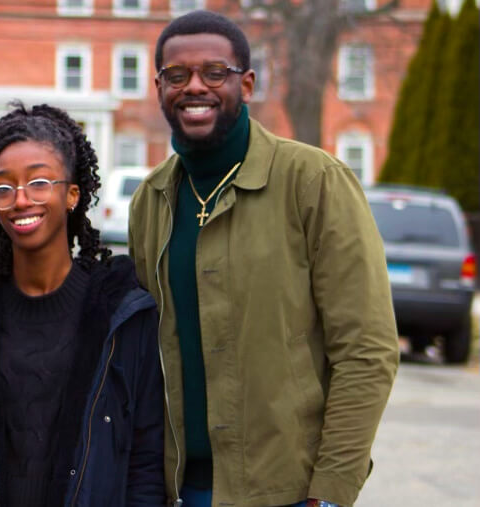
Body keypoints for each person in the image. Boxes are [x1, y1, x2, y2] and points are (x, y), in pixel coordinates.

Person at [128, 10, 399, 507]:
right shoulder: (153, 199)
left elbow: (367, 350)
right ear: (159, 86)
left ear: (246, 84)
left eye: (214, 73)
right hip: (178, 490)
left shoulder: (313, 181)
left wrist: (332, 490)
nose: (195, 87)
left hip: (288, 492)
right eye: (176, 75)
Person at [0, 103, 165, 506]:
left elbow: (146, 460)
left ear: (73, 195)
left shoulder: (124, 313)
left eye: (39, 182)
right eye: (4, 187)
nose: (21, 200)